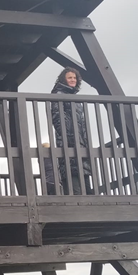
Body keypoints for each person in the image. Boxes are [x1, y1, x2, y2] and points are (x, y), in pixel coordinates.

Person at [51, 67, 93, 195]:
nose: (73, 80)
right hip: (69, 142)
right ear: (63, 79)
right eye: (70, 77)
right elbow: (57, 118)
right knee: (72, 179)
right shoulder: (58, 95)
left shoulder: (73, 97)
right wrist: (69, 137)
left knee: (85, 183)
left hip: (80, 143)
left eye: (74, 78)